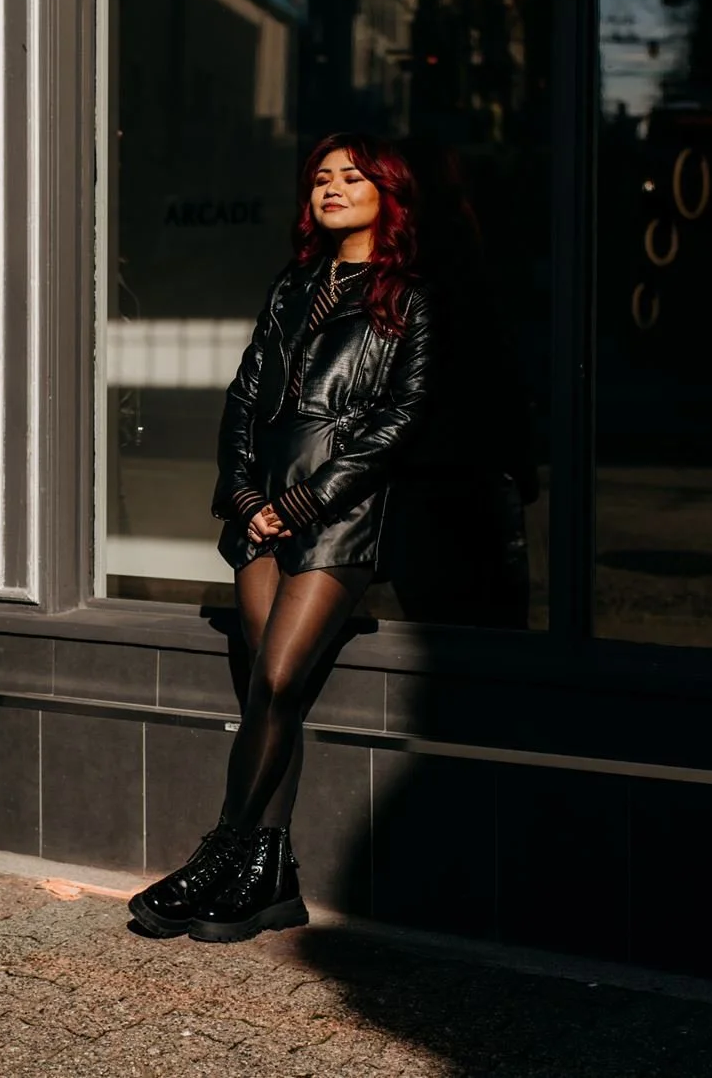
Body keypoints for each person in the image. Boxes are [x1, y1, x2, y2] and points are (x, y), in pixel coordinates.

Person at [130, 132, 435, 943]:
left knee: (273, 683)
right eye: (321, 178)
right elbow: (242, 394)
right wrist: (242, 493)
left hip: (338, 518)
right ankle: (271, 879)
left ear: (387, 192)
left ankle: (222, 848)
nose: (331, 187)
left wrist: (302, 502)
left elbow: (397, 423)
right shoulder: (293, 284)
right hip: (260, 509)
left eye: (351, 176)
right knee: (274, 692)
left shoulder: (407, 298)